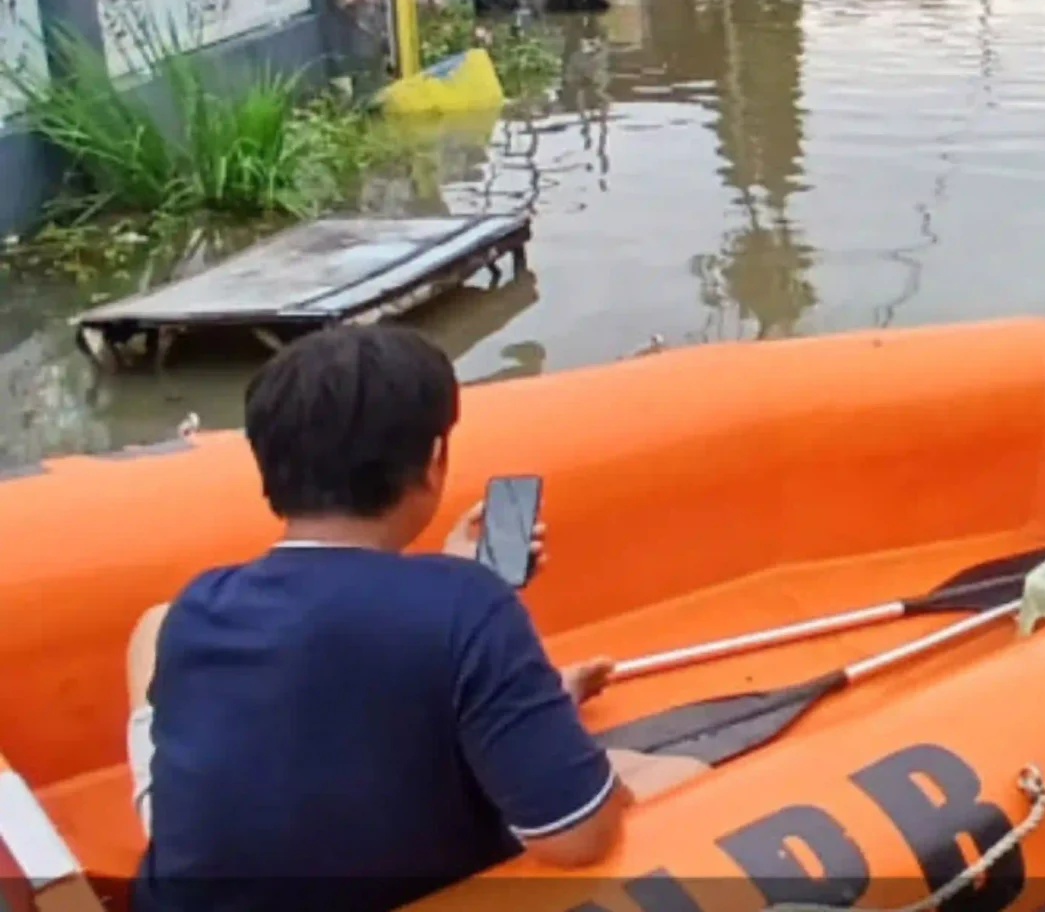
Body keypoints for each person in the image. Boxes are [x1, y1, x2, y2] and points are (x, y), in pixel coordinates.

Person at [125, 325, 702, 912]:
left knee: (155, 628)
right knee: (660, 774)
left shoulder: (199, 605)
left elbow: (334, 663)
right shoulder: (468, 605)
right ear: (433, 461)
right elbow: (577, 838)